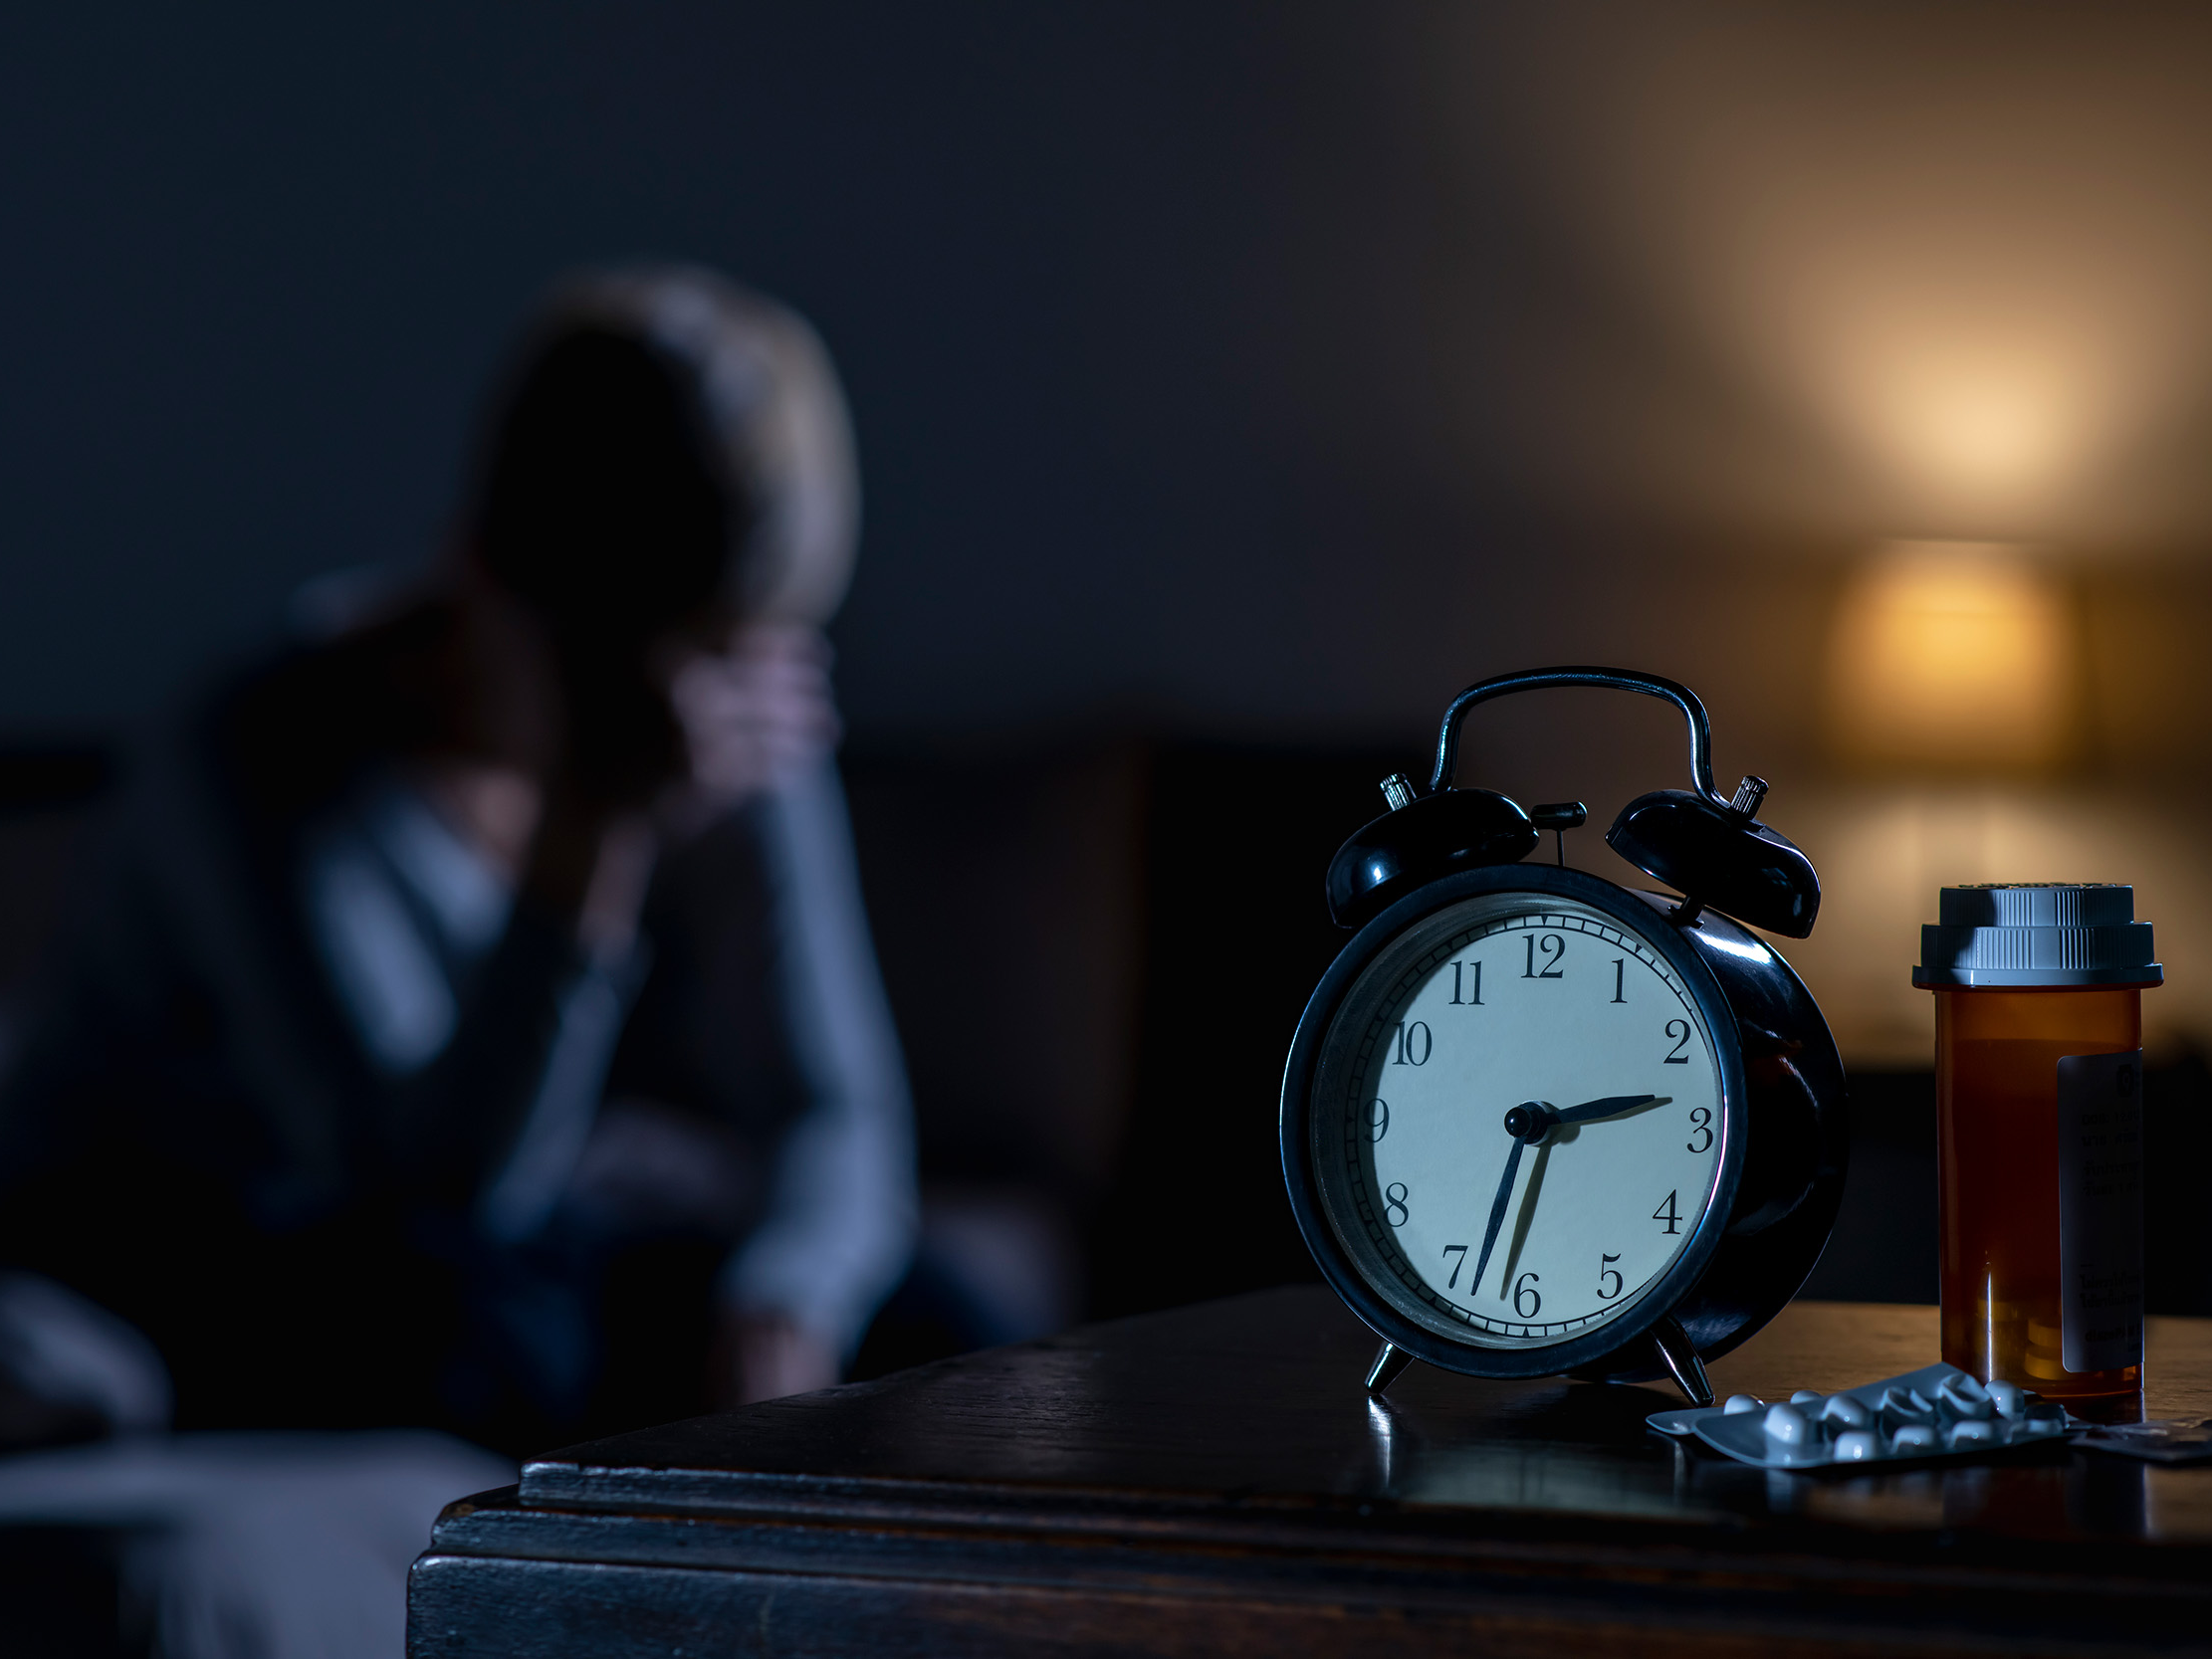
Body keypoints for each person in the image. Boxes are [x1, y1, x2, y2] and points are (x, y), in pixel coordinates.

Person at [0, 266, 917, 1453]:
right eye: (641, 664)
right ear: (483, 574)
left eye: (730, 655)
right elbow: (422, 1187)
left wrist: (785, 1296)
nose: (691, 705)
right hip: (197, 1224)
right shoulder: (253, 754)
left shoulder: (724, 701)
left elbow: (836, 1103)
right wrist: (594, 831)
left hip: (485, 1219)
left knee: (951, 1329)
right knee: (486, 1324)